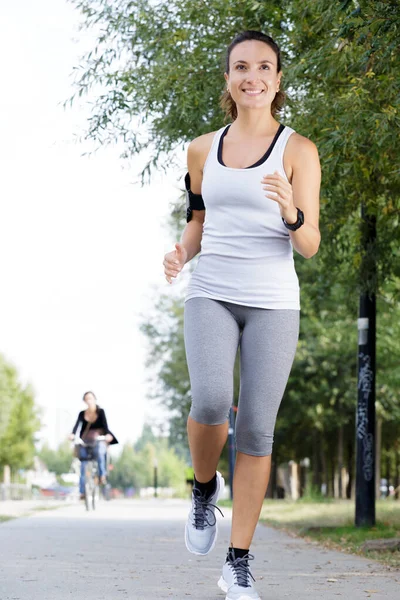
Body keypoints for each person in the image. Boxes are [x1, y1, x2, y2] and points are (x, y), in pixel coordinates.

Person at [163, 30, 321, 600]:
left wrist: (292, 212)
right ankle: (205, 490)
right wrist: (182, 251)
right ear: (228, 79)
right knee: (208, 401)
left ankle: (238, 561)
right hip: (211, 290)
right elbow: (198, 221)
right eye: (240, 67)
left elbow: (310, 245)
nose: (252, 75)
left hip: (274, 301)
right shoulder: (202, 148)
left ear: (277, 80)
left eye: (263, 67)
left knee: (256, 427)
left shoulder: (299, 151)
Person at [69, 391, 118, 499]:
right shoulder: (82, 414)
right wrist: (72, 434)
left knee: (100, 451)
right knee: (83, 465)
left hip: (98, 439)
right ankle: (83, 492)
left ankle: (102, 475)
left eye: (91, 398)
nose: (89, 401)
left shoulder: (100, 412)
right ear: (84, 401)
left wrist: (108, 435)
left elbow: (105, 426)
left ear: (95, 399)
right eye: (87, 399)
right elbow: (76, 426)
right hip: (85, 440)